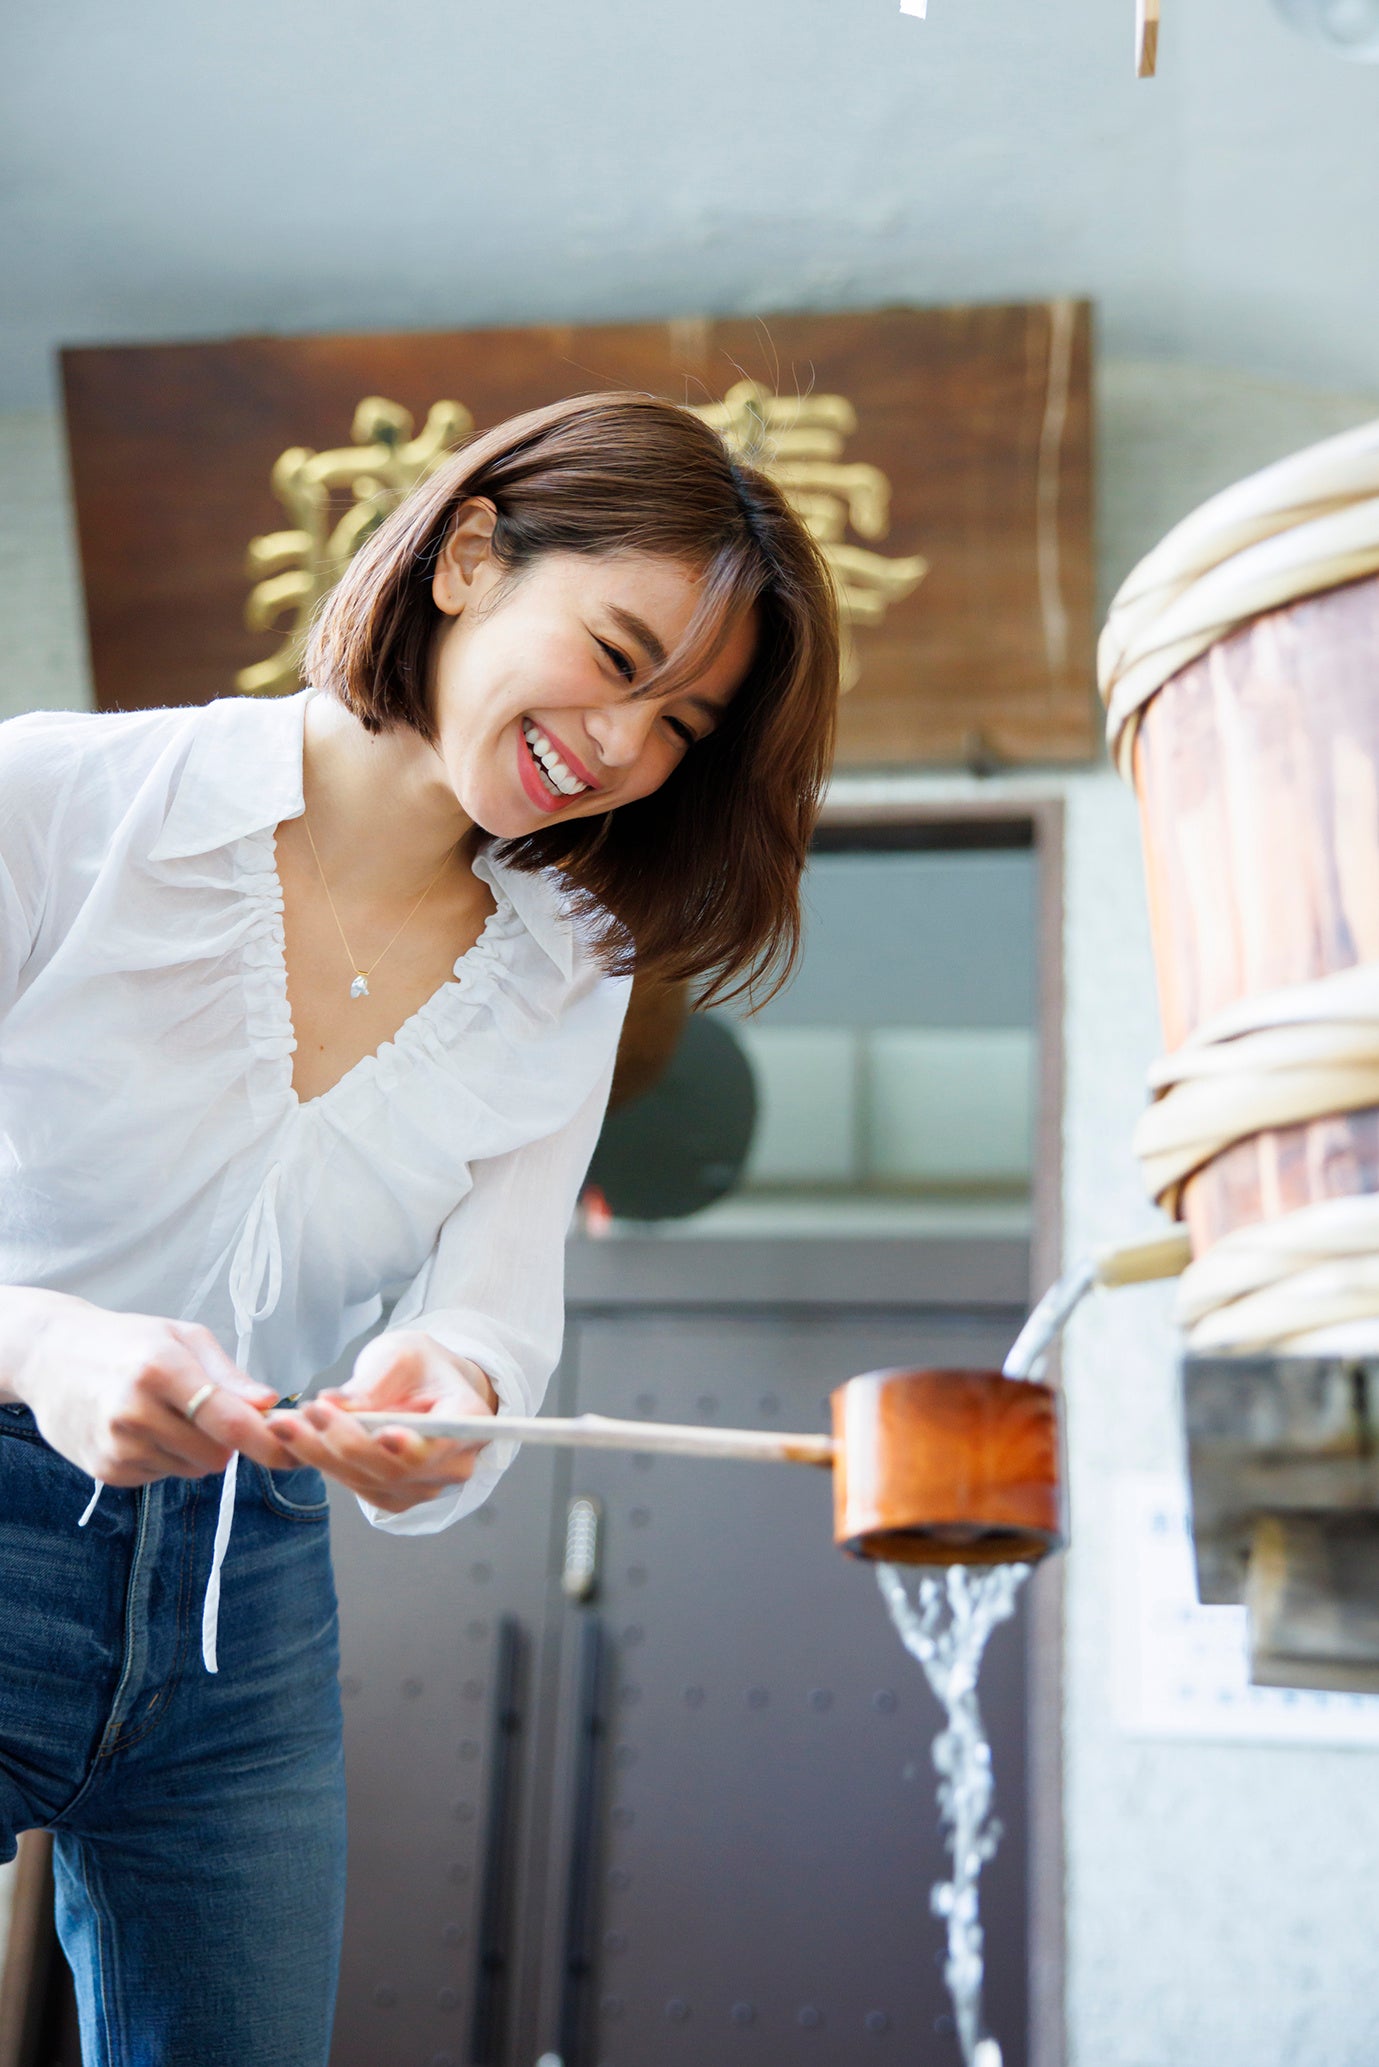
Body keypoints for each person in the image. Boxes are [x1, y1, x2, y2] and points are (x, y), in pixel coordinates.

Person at [0, 391, 839, 2064]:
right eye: (615, 654)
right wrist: (55, 1346)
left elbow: (496, 1318)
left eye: (682, 727)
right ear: (467, 558)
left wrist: (438, 1399)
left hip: (252, 1595)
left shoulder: (570, 975)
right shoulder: (55, 799)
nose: (619, 745)